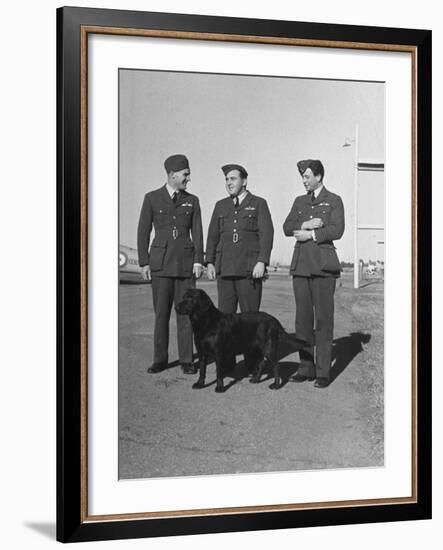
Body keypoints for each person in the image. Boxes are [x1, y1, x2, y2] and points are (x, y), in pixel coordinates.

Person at [137, 154, 204, 375]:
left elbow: (198, 232)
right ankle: (160, 359)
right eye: (185, 174)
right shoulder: (152, 198)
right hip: (161, 264)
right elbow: (143, 231)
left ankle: (186, 360)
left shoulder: (192, 200)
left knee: (186, 314)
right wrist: (144, 262)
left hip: (185, 265)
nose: (188, 178)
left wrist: (198, 261)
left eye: (188, 174)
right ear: (172, 174)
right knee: (161, 314)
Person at [283, 159, 345, 388]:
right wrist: (307, 223)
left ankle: (322, 372)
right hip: (301, 267)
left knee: (323, 321)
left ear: (319, 176)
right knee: (302, 321)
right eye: (302, 176)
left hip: (322, 268)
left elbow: (337, 230)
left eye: (307, 176)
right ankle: (306, 367)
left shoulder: (334, 200)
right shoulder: (299, 201)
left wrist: (311, 235)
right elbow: (287, 226)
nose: (304, 180)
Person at [206, 164, 274, 313]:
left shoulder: (258, 203)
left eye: (233, 179)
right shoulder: (220, 206)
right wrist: (210, 262)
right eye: (226, 179)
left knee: (250, 320)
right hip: (225, 270)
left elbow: (266, 235)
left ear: (244, 181)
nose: (229, 183)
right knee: (224, 321)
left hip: (249, 270)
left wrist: (262, 261)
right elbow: (212, 236)